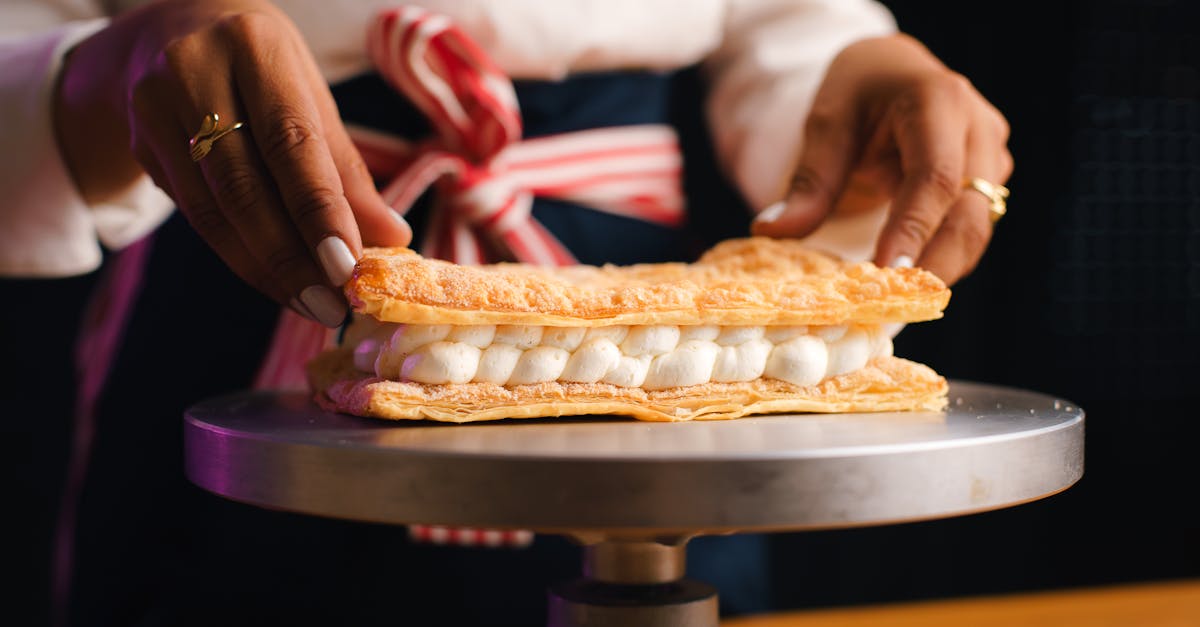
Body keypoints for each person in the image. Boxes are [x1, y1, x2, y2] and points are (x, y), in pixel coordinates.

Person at [1, 1, 1012, 625]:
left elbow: (780, 23)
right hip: (252, 240)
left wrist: (859, 72)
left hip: (642, 337)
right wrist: (111, 67)